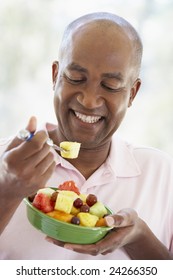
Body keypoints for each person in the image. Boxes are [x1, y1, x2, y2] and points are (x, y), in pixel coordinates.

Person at [0, 12, 173, 260]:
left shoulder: (163, 174)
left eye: (110, 86)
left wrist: (140, 238)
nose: (89, 100)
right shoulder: (5, 161)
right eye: (76, 78)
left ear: (132, 94)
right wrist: (5, 192)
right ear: (55, 76)